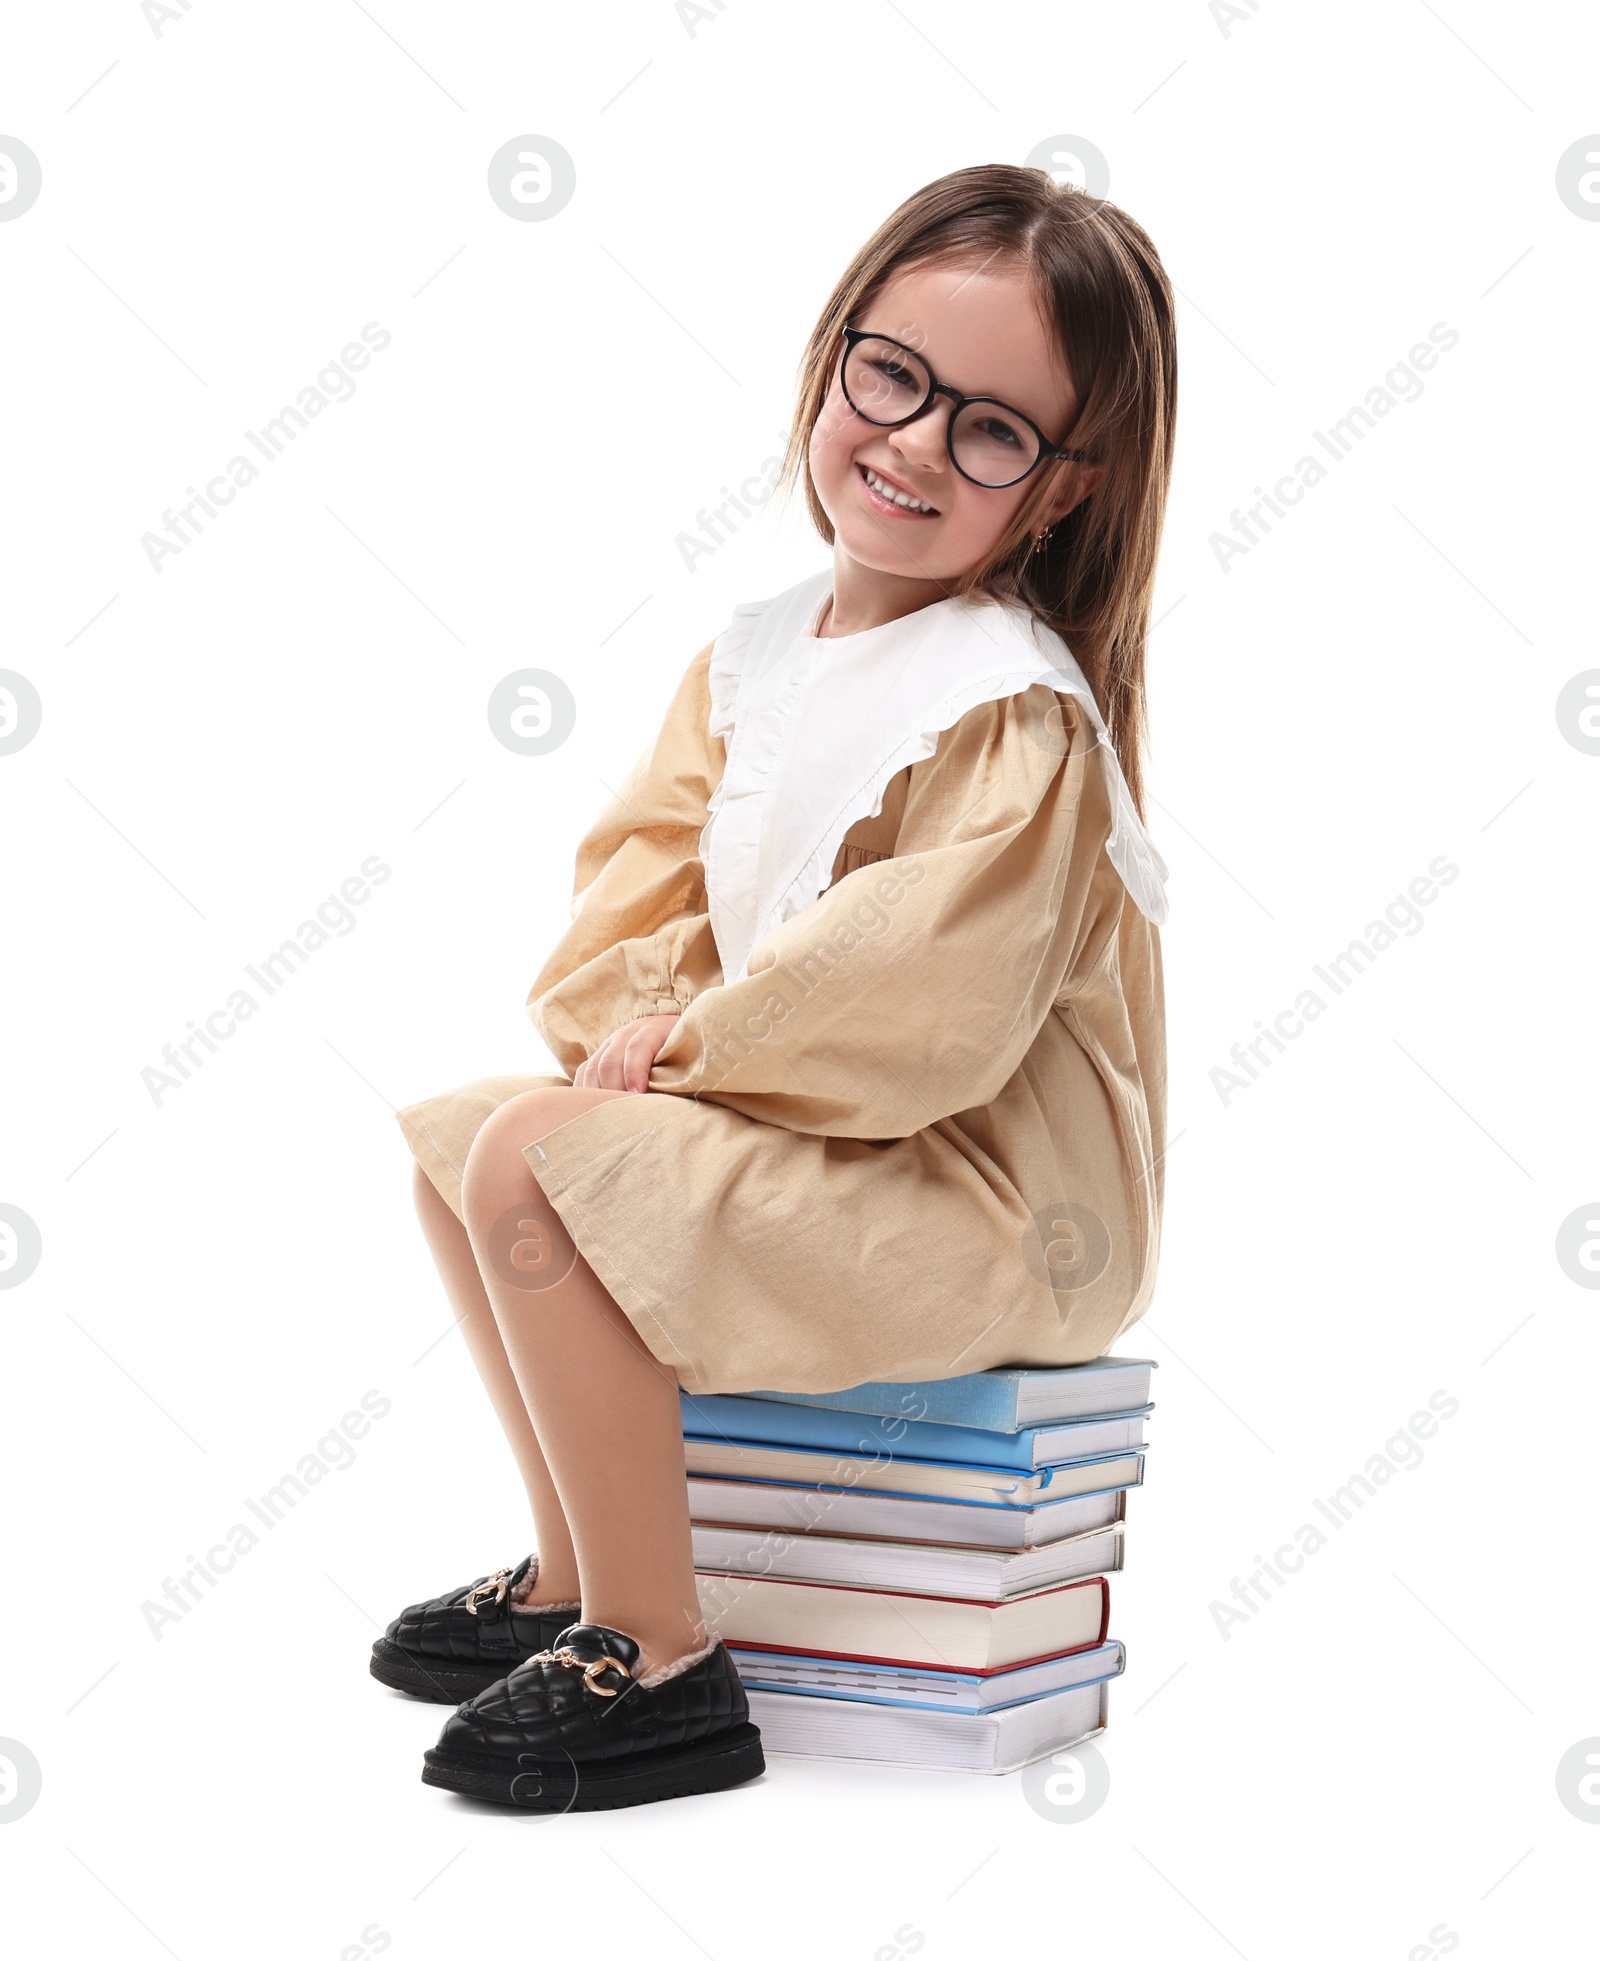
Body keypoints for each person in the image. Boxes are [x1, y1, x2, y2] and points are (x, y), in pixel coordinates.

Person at [378, 162, 1178, 1812]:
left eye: (990, 430)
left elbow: (913, 993)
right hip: (832, 1126)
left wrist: (682, 1066)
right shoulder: (753, 655)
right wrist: (629, 1038)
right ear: (831, 360)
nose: (910, 444)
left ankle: (660, 1652)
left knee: (538, 1155)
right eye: (889, 377)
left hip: (991, 1194)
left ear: (1060, 492)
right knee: (469, 1141)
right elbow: (637, 887)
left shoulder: (1008, 705)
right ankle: (570, 1566)